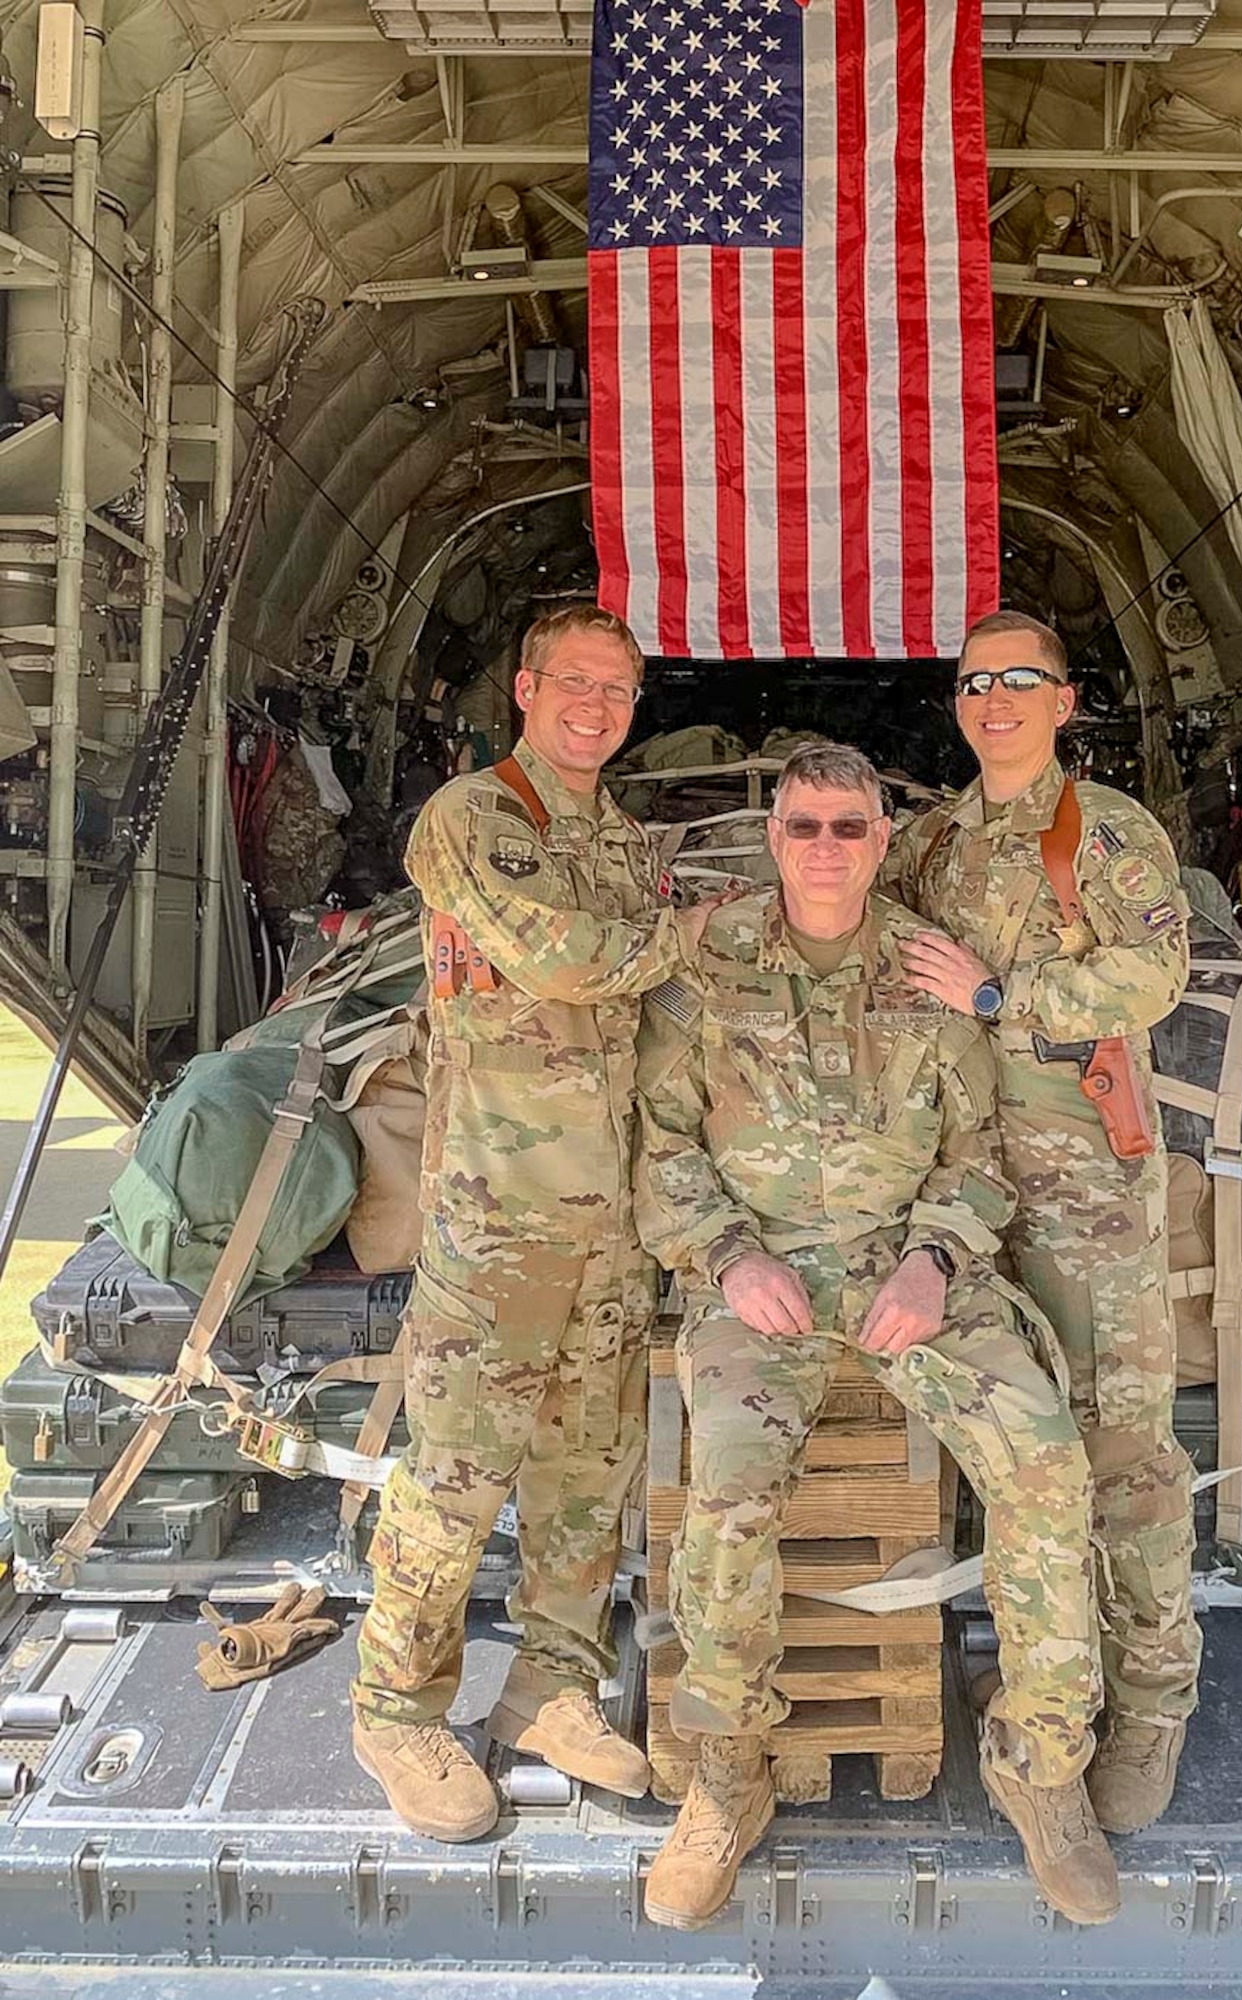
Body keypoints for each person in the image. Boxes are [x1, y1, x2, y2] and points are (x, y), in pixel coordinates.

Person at [634, 740, 1117, 1932]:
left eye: (849, 826)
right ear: (772, 834)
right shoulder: (711, 960)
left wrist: (935, 1255)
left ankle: (1042, 1765)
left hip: (914, 1271)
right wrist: (729, 1256)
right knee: (729, 1500)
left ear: (881, 838)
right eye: (803, 826)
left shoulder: (927, 967)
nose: (826, 849)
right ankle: (729, 1774)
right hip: (761, 1278)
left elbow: (980, 1156)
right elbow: (660, 1143)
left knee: (1047, 1465)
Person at [350, 602, 715, 1840]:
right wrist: (685, 935)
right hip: (500, 1218)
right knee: (455, 1476)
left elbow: (656, 1010)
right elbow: (561, 958)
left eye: (618, 691)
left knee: (584, 1477)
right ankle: (396, 1705)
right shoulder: (473, 817)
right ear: (525, 685)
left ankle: (551, 1685)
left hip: (607, 1218)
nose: (596, 707)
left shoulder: (616, 835)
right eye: (576, 682)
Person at [889, 608, 1202, 1839]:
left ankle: (1150, 1705)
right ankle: (1038, 1686)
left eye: (1021, 679)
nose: (996, 698)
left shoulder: (1107, 832)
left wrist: (997, 994)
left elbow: (1150, 973)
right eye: (975, 682)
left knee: (1122, 1455)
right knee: (1014, 1457)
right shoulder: (930, 846)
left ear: (1064, 702)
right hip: (963, 1181)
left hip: (1084, 1191)